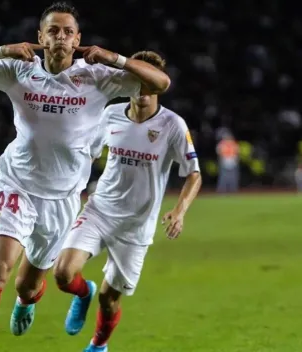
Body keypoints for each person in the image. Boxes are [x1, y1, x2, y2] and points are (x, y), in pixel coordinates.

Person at [0, 2, 170, 348]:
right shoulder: (19, 70)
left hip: (62, 196)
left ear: (78, 39)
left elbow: (160, 83)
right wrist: (2, 49)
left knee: (27, 286)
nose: (61, 38)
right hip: (17, 184)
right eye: (53, 31)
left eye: (68, 32)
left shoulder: (97, 77)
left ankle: (36, 299)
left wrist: (115, 58)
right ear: (40, 37)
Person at [53, 51, 202, 352]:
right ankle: (84, 293)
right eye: (137, 82)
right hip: (100, 210)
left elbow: (194, 174)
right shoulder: (110, 114)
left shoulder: (172, 125)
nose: (143, 91)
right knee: (62, 273)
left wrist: (179, 211)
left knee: (110, 300)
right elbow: (89, 153)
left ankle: (98, 345)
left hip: (137, 226)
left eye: (150, 84)